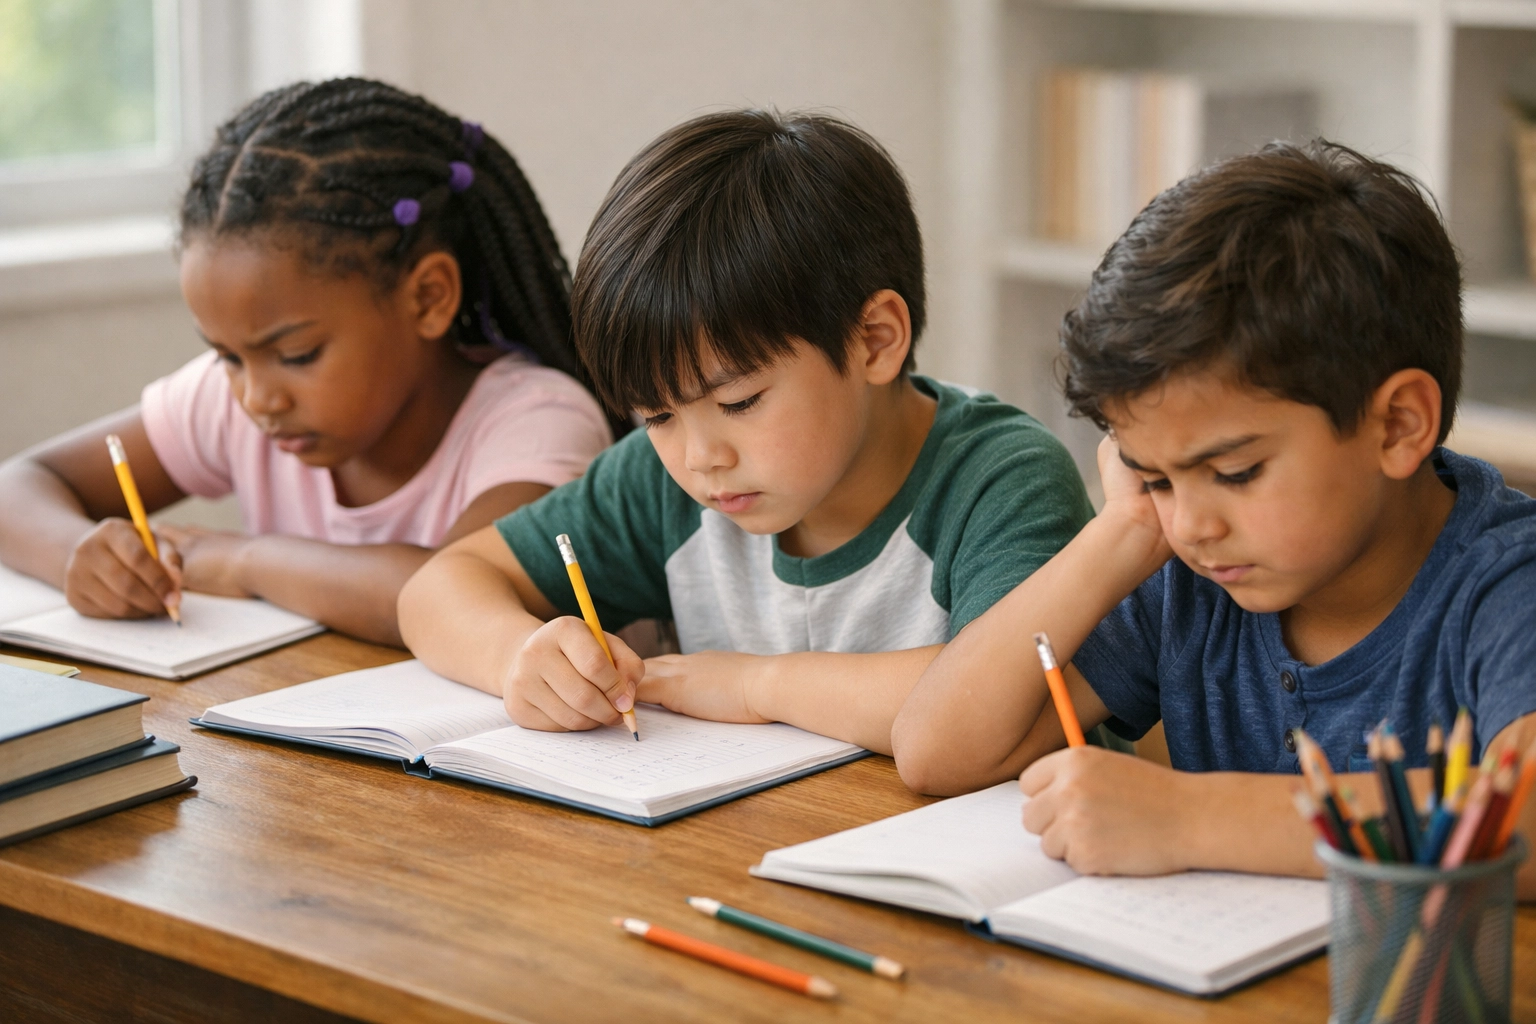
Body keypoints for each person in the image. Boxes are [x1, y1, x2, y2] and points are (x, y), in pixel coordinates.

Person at [891, 141, 1536, 891]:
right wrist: (1122, 532)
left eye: (1234, 472)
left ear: (1396, 425)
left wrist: (1190, 816)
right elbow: (936, 750)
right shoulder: (1193, 575)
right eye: (1154, 477)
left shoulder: (1506, 584)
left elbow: (1521, 815)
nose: (1192, 523)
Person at [398, 109, 1093, 753]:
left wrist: (756, 685)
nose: (701, 458)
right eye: (658, 414)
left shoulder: (1002, 483)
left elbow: (1002, 700)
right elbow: (440, 588)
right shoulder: (664, 483)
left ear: (875, 340)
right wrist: (519, 656)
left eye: (740, 401)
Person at [0, 78, 615, 647]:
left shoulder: (536, 420)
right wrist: (77, 554)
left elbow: (455, 596)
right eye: (226, 357)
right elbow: (17, 487)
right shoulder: (238, 399)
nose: (256, 398)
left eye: (297, 354)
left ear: (427, 296)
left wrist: (246, 561)